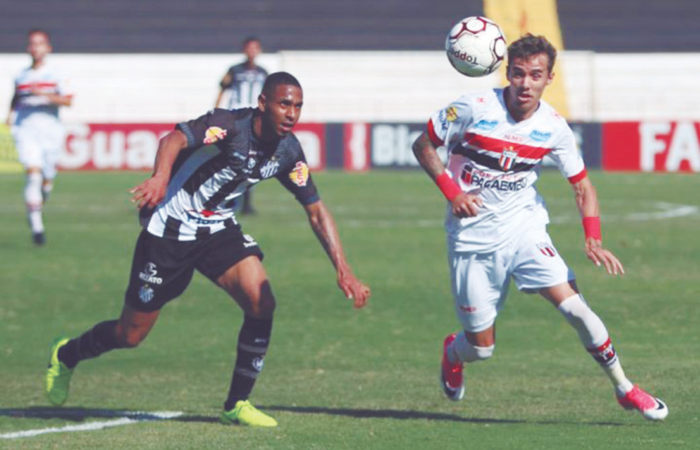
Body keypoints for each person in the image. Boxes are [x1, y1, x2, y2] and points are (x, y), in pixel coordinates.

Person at [45, 71, 371, 427]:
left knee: (262, 302)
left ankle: (236, 404)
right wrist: (160, 178)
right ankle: (66, 354)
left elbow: (316, 210)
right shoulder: (228, 126)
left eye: (297, 106)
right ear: (263, 103)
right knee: (130, 334)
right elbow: (173, 139)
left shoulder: (288, 152)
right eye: (284, 104)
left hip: (217, 231)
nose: (291, 113)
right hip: (169, 232)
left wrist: (344, 269)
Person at [412, 34, 668, 421]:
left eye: (535, 75)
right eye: (518, 74)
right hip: (472, 240)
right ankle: (453, 351)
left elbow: (582, 186)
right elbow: (423, 145)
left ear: (549, 78)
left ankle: (625, 388)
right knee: (481, 347)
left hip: (525, 230)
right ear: (507, 73)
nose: (525, 83)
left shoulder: (553, 127)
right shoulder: (472, 108)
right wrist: (453, 193)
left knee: (578, 310)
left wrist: (593, 238)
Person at [6, 29, 73, 245]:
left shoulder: (56, 74)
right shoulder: (21, 75)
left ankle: (37, 204)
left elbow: (68, 101)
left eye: (40, 43)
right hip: (26, 129)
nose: (36, 48)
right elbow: (15, 98)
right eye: (32, 44)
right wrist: (9, 116)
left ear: (48, 48)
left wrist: (43, 94)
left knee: (46, 180)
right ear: (28, 48)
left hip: (50, 131)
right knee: (33, 175)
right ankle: (37, 228)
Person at [214, 36, 268, 215]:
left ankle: (246, 202)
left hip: (254, 119)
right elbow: (222, 89)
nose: (252, 51)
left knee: (251, 159)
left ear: (259, 50)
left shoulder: (263, 73)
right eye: (249, 48)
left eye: (255, 48)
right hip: (236, 118)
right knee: (232, 157)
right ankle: (226, 198)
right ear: (244, 50)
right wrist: (217, 112)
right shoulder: (235, 70)